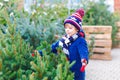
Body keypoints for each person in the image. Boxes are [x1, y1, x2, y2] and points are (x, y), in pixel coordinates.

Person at [51, 8, 89, 80]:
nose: (67, 30)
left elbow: (83, 51)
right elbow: (53, 47)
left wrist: (84, 60)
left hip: (77, 71)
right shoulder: (64, 40)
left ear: (77, 29)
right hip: (65, 69)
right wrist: (39, 53)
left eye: (70, 28)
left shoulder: (80, 40)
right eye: (66, 28)